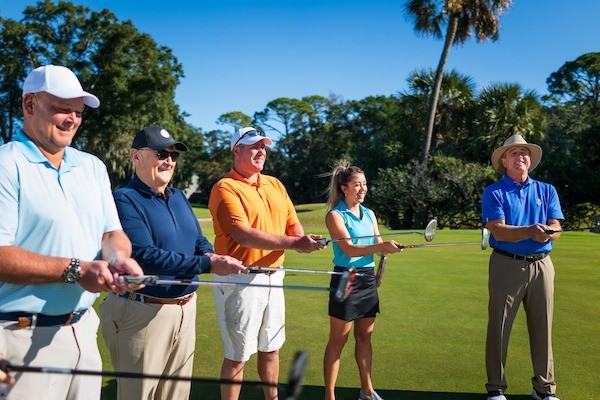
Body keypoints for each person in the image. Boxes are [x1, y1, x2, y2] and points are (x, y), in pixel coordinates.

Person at [0, 64, 144, 399]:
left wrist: (119, 259)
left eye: (78, 112)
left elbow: (112, 233)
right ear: (30, 105)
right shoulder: (6, 164)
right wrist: (77, 270)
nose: (72, 119)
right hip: (18, 337)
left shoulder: (92, 166)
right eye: (62, 109)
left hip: (83, 331)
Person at [100, 126, 247, 400]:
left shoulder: (178, 196)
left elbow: (198, 239)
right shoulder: (124, 200)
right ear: (135, 156)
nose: (168, 160)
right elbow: (146, 256)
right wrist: (208, 266)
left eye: (173, 155)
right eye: (160, 153)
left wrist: (211, 255)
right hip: (141, 312)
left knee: (176, 395)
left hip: (185, 308)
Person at [208, 126, 325, 400]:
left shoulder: (275, 184)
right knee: (238, 356)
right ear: (236, 151)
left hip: (275, 276)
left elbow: (293, 225)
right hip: (241, 278)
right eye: (253, 146)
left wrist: (305, 240)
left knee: (271, 348)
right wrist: (295, 243)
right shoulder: (225, 187)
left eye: (263, 146)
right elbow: (243, 235)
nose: (261, 151)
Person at [482, 134, 563, 400]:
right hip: (507, 263)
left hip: (542, 265)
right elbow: (499, 230)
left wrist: (549, 233)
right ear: (504, 161)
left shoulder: (546, 190)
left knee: (544, 328)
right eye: (514, 153)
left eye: (524, 153)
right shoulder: (493, 192)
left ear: (530, 160)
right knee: (500, 327)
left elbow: (557, 226)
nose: (520, 157)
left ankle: (544, 388)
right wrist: (530, 231)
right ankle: (496, 386)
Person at [322, 161, 402, 400]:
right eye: (357, 184)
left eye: (365, 184)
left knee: (365, 336)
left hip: (366, 279)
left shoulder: (369, 213)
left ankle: (367, 390)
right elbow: (349, 249)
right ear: (344, 188)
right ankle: (329, 395)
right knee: (338, 340)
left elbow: (380, 249)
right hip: (346, 279)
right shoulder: (335, 215)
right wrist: (381, 246)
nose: (363, 188)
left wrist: (382, 266)